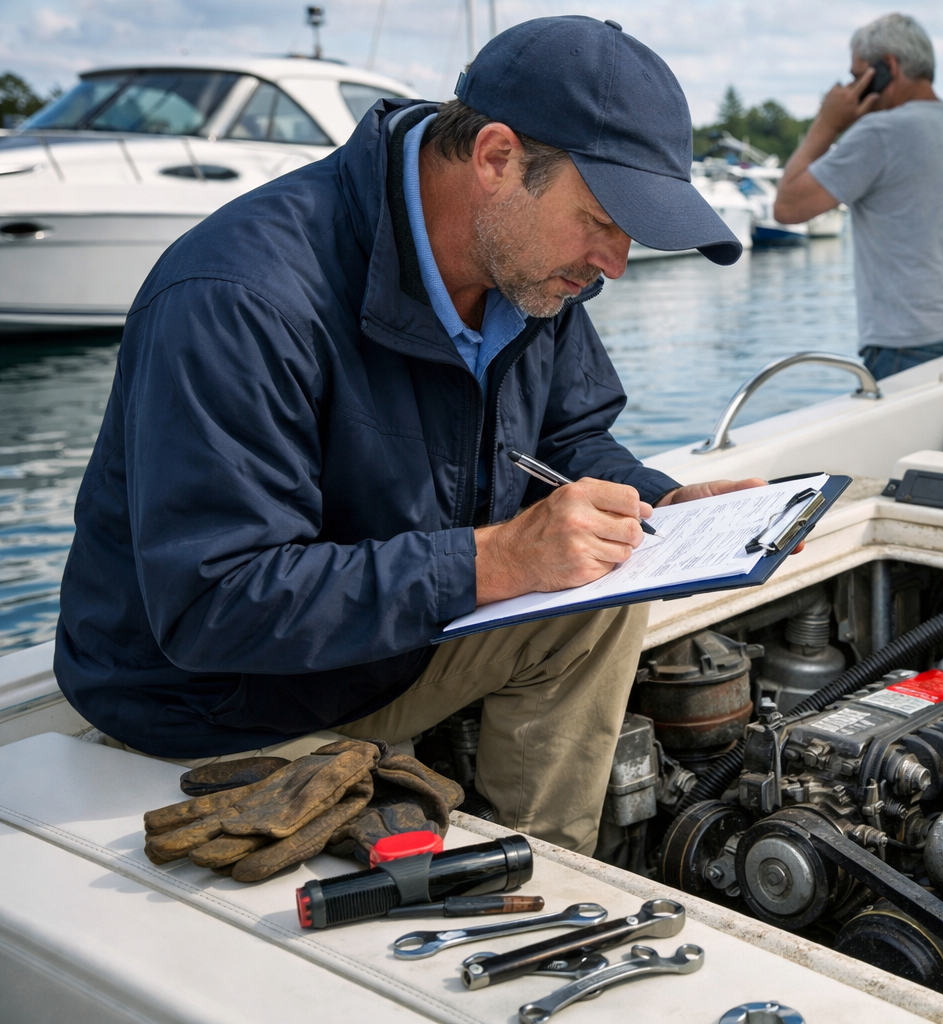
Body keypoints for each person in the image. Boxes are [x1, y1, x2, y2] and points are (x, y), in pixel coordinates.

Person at [54, 17, 764, 856]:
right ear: (496, 159)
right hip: (216, 708)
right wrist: (493, 562)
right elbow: (214, 604)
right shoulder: (238, 296)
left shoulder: (532, 272)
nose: (614, 262)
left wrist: (659, 505)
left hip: (385, 656)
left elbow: (568, 440)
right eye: (602, 219)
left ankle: (542, 865)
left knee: (607, 585)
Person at [774, 13, 943, 379]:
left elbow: (787, 207)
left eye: (856, 76)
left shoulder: (878, 134)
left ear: (888, 67)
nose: (851, 88)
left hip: (912, 347)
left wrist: (827, 124)